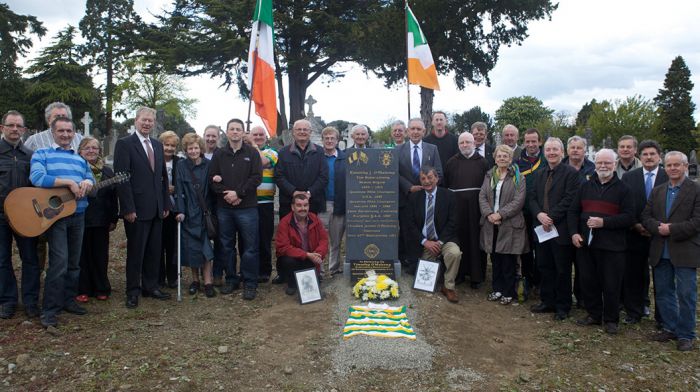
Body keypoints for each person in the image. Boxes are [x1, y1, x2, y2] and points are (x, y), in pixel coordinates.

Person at [30, 116, 94, 328]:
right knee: (59, 263)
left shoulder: (80, 159)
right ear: (53, 132)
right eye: (61, 131)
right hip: (56, 218)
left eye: (69, 131)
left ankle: (69, 300)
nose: (66, 135)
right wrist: (67, 182)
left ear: (74, 133)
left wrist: (87, 182)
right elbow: (37, 178)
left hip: (79, 215)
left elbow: (91, 181)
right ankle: (50, 309)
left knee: (74, 263)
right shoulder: (42, 154)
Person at [569, 149, 634, 335]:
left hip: (612, 246)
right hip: (586, 244)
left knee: (611, 284)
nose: (603, 166)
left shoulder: (624, 189)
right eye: (599, 163)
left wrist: (604, 222)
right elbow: (573, 211)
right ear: (594, 164)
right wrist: (574, 233)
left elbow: (629, 217)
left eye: (607, 163)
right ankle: (594, 314)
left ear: (615, 164)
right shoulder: (585, 186)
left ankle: (611, 319)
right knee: (589, 281)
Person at [114, 107, 171, 309]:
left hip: (156, 208)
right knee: (136, 252)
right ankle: (133, 291)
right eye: (143, 120)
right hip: (136, 209)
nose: (147, 124)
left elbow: (162, 177)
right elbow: (122, 179)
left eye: (150, 121)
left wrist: (165, 203)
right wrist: (128, 208)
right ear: (136, 120)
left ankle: (150, 286)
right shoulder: (125, 144)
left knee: (154, 251)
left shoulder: (156, 145)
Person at [643, 151, 700, 351]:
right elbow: (646, 215)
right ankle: (670, 327)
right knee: (664, 292)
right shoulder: (658, 191)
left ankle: (686, 334)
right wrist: (656, 226)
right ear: (664, 167)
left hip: (684, 249)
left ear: (685, 167)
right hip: (660, 249)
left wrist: (671, 229)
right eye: (669, 165)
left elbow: (697, 221)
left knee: (686, 294)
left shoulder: (695, 190)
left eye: (677, 165)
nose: (673, 168)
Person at [209, 118, 262, 300]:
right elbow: (212, 179)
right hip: (225, 208)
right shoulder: (219, 155)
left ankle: (249, 282)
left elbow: (256, 178)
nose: (235, 132)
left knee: (250, 247)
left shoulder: (252, 154)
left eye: (238, 129)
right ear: (227, 132)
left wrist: (238, 193)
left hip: (247, 207)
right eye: (231, 129)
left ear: (242, 132)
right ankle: (231, 279)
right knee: (226, 246)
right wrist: (227, 194)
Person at [527, 137, 578, 321]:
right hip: (542, 228)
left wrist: (551, 217)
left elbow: (570, 198)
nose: (551, 153)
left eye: (555, 149)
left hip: (561, 229)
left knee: (562, 269)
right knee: (544, 266)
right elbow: (531, 197)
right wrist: (539, 215)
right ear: (544, 152)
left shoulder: (570, 173)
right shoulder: (540, 174)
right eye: (548, 150)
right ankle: (547, 301)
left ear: (562, 152)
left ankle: (563, 306)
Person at [621, 139, 667, 324]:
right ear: (639, 156)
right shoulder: (629, 177)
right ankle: (634, 311)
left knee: (662, 277)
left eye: (652, 154)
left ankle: (662, 317)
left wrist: (656, 228)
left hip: (661, 235)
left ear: (659, 156)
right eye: (645, 154)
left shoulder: (668, 176)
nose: (648, 157)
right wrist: (636, 224)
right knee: (634, 274)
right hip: (635, 232)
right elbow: (625, 205)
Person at [0, 111, 40, 319]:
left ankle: (31, 300)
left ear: (24, 130)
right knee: (2, 259)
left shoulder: (30, 156)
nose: (15, 130)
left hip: (25, 217)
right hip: (0, 217)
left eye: (19, 126)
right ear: (2, 128)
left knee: (30, 259)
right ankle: (7, 300)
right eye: (11, 125)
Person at [479, 145, 527, 305]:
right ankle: (497, 289)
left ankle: (509, 292)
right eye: (499, 156)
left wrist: (500, 214)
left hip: (509, 224)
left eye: (505, 156)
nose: (502, 159)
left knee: (508, 260)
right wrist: (490, 215)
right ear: (495, 158)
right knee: (495, 258)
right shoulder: (489, 176)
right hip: (491, 223)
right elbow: (482, 196)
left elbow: (518, 201)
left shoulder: (518, 177)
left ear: (510, 159)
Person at [406, 166, 461, 303]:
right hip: (425, 242)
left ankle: (448, 287)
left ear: (437, 178)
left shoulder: (449, 196)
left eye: (430, 177)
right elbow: (410, 224)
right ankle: (435, 282)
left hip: (445, 240)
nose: (426, 181)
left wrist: (440, 242)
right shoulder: (414, 198)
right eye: (423, 178)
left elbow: (453, 222)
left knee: (454, 253)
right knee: (424, 281)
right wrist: (424, 241)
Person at [443, 132, 489, 288]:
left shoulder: (483, 162)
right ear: (458, 145)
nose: (465, 145)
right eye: (461, 143)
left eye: (468, 142)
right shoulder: (451, 163)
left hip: (477, 209)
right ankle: (460, 274)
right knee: (459, 240)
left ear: (474, 143)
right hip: (458, 210)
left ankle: (477, 276)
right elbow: (447, 186)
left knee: (476, 241)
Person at [76, 137, 118, 303]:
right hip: (80, 217)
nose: (91, 151)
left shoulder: (107, 171)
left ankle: (101, 287)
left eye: (94, 148)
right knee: (82, 255)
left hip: (102, 218)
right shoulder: (75, 168)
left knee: (100, 255)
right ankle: (83, 288)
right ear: (80, 150)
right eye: (87, 148)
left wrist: (114, 218)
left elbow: (114, 197)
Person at [397, 118, 442, 273]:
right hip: (406, 197)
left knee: (423, 229)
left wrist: (427, 186)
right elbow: (394, 173)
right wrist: (409, 187)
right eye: (412, 129)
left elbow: (439, 172)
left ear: (424, 131)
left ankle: (423, 262)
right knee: (406, 230)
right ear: (407, 131)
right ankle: (408, 262)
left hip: (427, 198)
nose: (415, 132)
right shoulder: (398, 150)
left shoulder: (432, 149)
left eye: (419, 129)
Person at [175, 133, 216, 298]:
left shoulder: (209, 165)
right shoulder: (181, 166)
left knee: (206, 248)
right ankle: (195, 280)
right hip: (189, 213)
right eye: (190, 148)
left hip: (205, 212)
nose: (193, 151)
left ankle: (208, 282)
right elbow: (178, 189)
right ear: (185, 150)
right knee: (192, 247)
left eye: (196, 148)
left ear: (201, 148)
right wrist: (180, 211)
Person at [562, 135, 595, 307]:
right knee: (563, 261)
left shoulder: (592, 169)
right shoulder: (559, 167)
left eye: (579, 147)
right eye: (572, 147)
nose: (575, 150)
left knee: (583, 263)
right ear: (567, 150)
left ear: (585, 150)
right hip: (561, 219)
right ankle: (564, 296)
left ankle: (582, 296)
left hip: (584, 220)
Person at [275, 194, 329, 295]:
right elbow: (283, 247)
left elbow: (324, 240)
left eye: (305, 205)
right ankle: (292, 284)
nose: (303, 208)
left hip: (310, 258)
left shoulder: (315, 219)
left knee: (314, 287)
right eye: (299, 205)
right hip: (293, 259)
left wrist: (318, 254)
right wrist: (307, 255)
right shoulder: (284, 222)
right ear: (292, 207)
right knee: (287, 260)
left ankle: (308, 278)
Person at [275, 119, 328, 219]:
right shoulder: (283, 152)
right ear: (293, 132)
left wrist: (309, 193)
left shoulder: (319, 151)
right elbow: (279, 176)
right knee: (288, 233)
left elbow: (323, 176)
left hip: (312, 201)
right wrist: (294, 192)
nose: (302, 132)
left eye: (305, 129)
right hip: (288, 202)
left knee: (311, 232)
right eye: (299, 129)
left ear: (310, 132)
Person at [515, 128, 545, 299]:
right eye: (528, 141)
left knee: (541, 250)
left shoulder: (547, 160)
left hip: (542, 214)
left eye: (534, 141)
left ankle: (541, 282)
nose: (531, 144)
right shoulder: (519, 163)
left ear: (539, 142)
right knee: (525, 249)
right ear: (524, 142)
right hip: (524, 213)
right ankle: (527, 279)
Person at [249, 125, 278, 283]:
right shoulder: (246, 151)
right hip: (247, 202)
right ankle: (249, 269)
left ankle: (265, 271)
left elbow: (262, 162)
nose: (258, 137)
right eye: (255, 135)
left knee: (264, 238)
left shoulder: (272, 153)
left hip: (265, 202)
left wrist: (252, 145)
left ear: (266, 138)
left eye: (261, 135)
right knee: (249, 239)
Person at [319, 126, 347, 277]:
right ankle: (320, 269)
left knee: (335, 240)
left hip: (339, 204)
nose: (329, 141)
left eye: (332, 138)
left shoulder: (345, 158)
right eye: (326, 138)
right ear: (322, 140)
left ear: (337, 140)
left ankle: (334, 268)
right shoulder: (317, 157)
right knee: (320, 239)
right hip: (321, 204)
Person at [158, 131, 181, 289]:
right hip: (158, 207)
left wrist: (176, 188)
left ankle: (173, 277)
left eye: (173, 145)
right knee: (158, 244)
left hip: (174, 208)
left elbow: (184, 182)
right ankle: (159, 277)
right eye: (166, 145)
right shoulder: (155, 161)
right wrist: (164, 188)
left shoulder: (179, 162)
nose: (169, 148)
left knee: (173, 245)